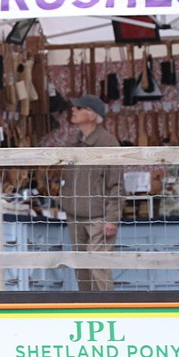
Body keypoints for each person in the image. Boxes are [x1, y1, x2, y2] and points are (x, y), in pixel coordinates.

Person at [60, 94, 122, 291]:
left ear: (92, 115)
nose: (73, 110)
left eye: (79, 108)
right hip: (75, 214)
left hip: (99, 217)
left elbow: (116, 183)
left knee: (98, 266)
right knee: (81, 268)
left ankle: (107, 306)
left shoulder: (108, 142)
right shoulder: (75, 142)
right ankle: (87, 305)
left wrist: (112, 218)